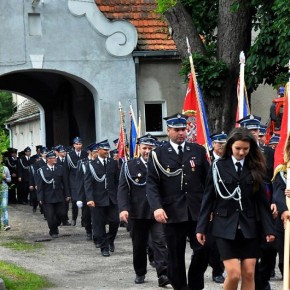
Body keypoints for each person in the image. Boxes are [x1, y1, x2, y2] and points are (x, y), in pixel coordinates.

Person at [196, 127, 276, 290]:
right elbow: (208, 198)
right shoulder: (218, 167)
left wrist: (269, 229)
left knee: (248, 273)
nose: (241, 152)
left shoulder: (255, 167)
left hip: (249, 227)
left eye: (245, 149)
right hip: (224, 226)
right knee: (233, 274)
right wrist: (201, 228)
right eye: (238, 148)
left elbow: (262, 202)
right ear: (230, 146)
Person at [146, 112, 210, 290]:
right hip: (172, 212)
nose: (182, 133)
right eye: (177, 130)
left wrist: (210, 207)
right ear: (168, 131)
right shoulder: (157, 154)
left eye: (184, 129)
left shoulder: (197, 150)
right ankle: (180, 287)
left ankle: (195, 284)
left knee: (204, 250)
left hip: (197, 212)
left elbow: (208, 181)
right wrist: (157, 207)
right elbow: (151, 184)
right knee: (175, 255)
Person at [118, 134, 170, 287]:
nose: (147, 151)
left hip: (157, 212)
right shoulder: (129, 166)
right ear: (139, 148)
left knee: (160, 242)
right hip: (137, 212)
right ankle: (140, 272)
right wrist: (123, 209)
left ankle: (163, 274)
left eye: (150, 148)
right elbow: (122, 189)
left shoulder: (161, 165)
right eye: (144, 148)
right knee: (139, 245)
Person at [237, 114, 278, 290]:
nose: (255, 134)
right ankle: (256, 283)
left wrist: (276, 200)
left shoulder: (268, 152)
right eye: (251, 130)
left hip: (267, 204)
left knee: (270, 247)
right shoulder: (238, 154)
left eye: (257, 130)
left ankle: (263, 279)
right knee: (249, 251)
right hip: (246, 208)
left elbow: (277, 178)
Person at [84, 140, 120, 257]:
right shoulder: (91, 165)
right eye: (104, 150)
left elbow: (117, 181)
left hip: (112, 198)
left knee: (115, 221)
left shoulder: (113, 163)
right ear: (98, 150)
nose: (107, 152)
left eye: (108, 149)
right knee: (99, 225)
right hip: (97, 200)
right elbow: (88, 184)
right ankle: (104, 247)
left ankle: (110, 240)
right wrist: (89, 198)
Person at [36, 151, 70, 238]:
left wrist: (67, 194)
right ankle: (53, 230)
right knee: (50, 216)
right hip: (47, 197)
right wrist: (40, 197)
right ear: (48, 159)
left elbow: (65, 182)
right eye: (53, 158)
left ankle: (55, 225)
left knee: (62, 214)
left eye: (55, 158)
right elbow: (39, 186)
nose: (55, 159)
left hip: (59, 196)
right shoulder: (42, 170)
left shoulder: (60, 168)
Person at [272, 133, 290, 279]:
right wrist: (283, 210)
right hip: (286, 217)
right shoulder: (284, 171)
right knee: (283, 248)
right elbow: (278, 192)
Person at [64, 137, 88, 226]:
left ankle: (84, 220)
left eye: (80, 144)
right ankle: (74, 217)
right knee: (75, 201)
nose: (78, 146)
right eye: (77, 144)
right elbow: (66, 170)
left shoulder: (85, 154)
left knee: (84, 200)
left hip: (84, 179)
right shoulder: (69, 155)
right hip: (73, 180)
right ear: (74, 145)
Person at [1, 161, 11, 230]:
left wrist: (5, 178)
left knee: (4, 206)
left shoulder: (5, 168)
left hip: (4, 190)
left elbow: (9, 179)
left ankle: (6, 224)